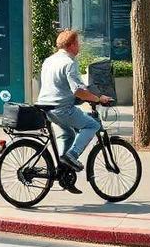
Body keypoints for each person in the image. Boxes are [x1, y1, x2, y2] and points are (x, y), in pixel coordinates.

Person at [36, 29, 112, 193]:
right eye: (78, 43)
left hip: (46, 107)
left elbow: (60, 85)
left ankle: (64, 171)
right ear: (71, 45)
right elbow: (77, 90)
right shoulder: (70, 63)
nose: (80, 46)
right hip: (62, 108)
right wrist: (98, 99)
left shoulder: (49, 60)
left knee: (68, 134)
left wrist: (85, 93)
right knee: (92, 125)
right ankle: (71, 156)